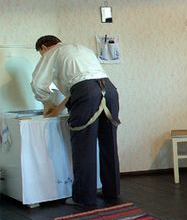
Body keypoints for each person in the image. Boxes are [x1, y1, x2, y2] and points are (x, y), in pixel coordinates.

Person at [31, 35, 121, 206]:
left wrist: (47, 103)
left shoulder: (52, 52)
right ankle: (112, 191)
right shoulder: (81, 48)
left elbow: (38, 84)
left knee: (84, 146)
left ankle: (83, 197)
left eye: (40, 54)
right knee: (109, 143)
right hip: (109, 90)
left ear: (43, 47)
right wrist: (58, 106)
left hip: (86, 92)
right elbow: (86, 82)